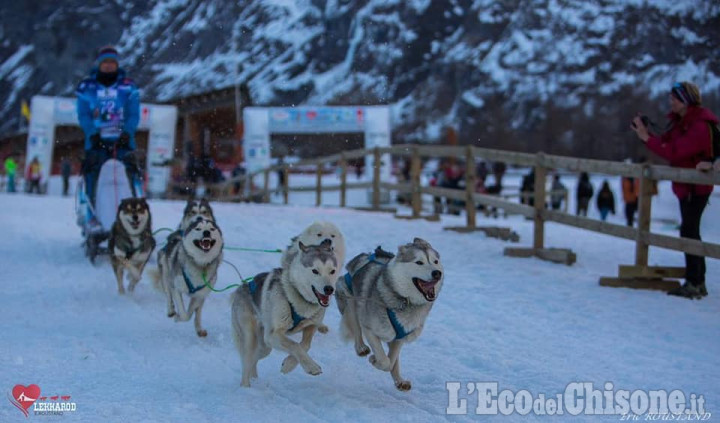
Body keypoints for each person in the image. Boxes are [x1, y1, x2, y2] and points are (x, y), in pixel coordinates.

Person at [631, 81, 717, 299]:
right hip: (686, 187)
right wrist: (646, 132)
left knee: (689, 231)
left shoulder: (698, 125)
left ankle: (695, 282)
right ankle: (697, 281)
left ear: (686, 100)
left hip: (695, 187)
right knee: (689, 231)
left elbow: (675, 152)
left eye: (675, 98)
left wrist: (645, 138)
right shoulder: (682, 123)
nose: (671, 102)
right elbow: (665, 144)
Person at [76, 46, 140, 224]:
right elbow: (83, 115)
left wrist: (127, 133)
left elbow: (133, 114)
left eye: (112, 62)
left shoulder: (128, 87)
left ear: (117, 64)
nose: (109, 65)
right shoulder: (87, 87)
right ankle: (92, 217)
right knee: (93, 178)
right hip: (96, 143)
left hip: (123, 142)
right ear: (99, 64)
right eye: (106, 62)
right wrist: (92, 134)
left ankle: (137, 218)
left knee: (130, 178)